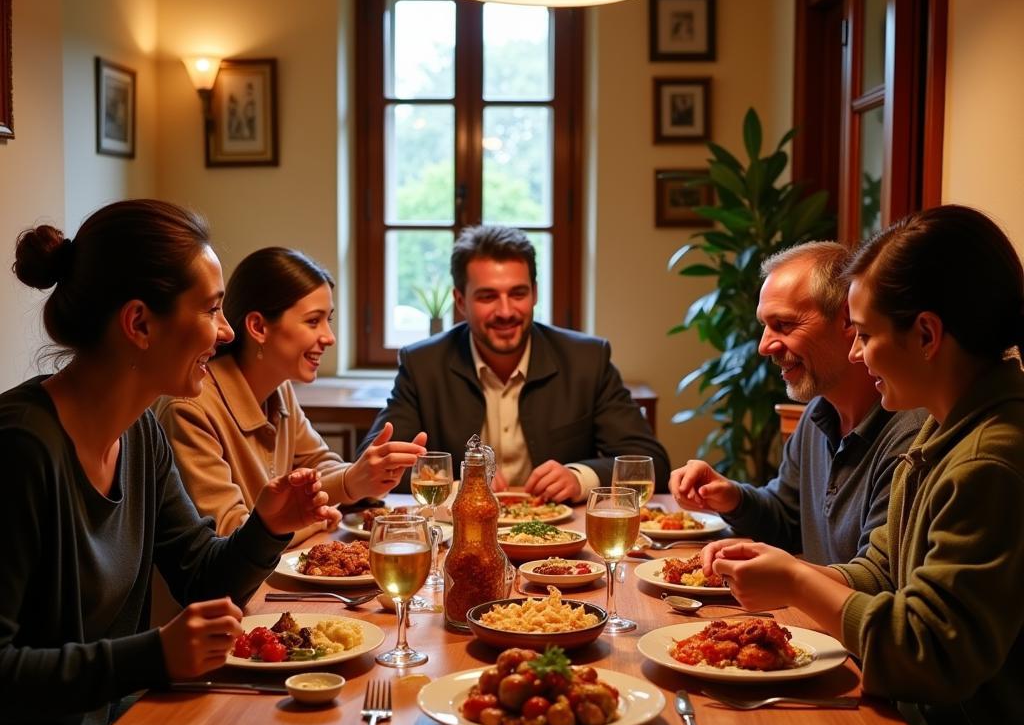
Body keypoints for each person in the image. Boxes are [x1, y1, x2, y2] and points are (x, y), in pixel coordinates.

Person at [0, 201, 342, 725]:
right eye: (212, 310)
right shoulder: (21, 451)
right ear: (139, 324)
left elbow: (201, 575)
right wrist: (153, 655)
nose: (223, 334)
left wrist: (267, 527)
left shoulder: (142, 433)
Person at [702, 205, 1024, 725]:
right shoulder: (943, 430)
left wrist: (794, 578)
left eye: (867, 334)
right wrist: (774, 569)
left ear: (928, 334)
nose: (856, 352)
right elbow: (878, 573)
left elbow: (927, 657)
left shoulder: (991, 458)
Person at [359, 224, 670, 502]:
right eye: (488, 297)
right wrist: (460, 488)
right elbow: (373, 466)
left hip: (563, 541)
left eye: (518, 293)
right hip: (459, 539)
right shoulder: (423, 364)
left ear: (534, 294)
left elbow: (650, 461)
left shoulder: (586, 360)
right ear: (460, 302)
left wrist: (579, 478)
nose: (506, 311)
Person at [670, 242, 925, 564]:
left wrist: (791, 577)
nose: (764, 346)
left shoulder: (911, 436)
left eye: (784, 325)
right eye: (765, 325)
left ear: (849, 319)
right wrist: (733, 498)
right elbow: (787, 522)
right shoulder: (818, 414)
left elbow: (875, 582)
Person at [156, 247, 426, 543]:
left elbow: (319, 463)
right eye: (313, 321)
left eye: (329, 320)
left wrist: (361, 477)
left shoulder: (278, 387)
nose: (329, 337)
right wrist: (321, 514)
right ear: (258, 327)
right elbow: (231, 532)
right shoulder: (190, 408)